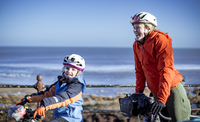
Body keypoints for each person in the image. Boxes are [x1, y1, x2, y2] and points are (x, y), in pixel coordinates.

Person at [131, 12, 191, 122]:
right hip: (156, 92)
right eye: (133, 27)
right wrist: (138, 94)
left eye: (137, 27)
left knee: (179, 120)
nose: (134, 30)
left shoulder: (160, 40)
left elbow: (166, 70)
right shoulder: (136, 45)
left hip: (172, 89)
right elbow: (139, 72)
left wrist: (162, 99)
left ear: (148, 28)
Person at [16, 54, 86, 122]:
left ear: (78, 72)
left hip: (71, 118)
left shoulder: (77, 86)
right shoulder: (61, 82)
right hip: (60, 117)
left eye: (73, 69)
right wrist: (27, 99)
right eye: (67, 68)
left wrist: (44, 105)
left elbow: (62, 98)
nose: (69, 71)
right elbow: (45, 94)